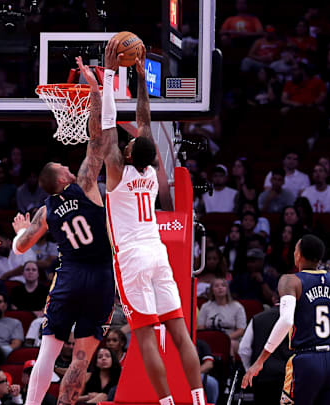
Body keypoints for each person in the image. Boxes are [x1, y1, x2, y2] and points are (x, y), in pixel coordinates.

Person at [100, 41, 206, 405]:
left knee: (144, 336)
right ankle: (196, 399)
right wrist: (142, 80)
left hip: (131, 257)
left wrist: (111, 73)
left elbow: (109, 125)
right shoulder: (148, 171)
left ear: (129, 153)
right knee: (180, 333)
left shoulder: (117, 172)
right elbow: (144, 120)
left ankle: (166, 403)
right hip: (158, 254)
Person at [11, 56, 115, 405]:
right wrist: (95, 89)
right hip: (100, 275)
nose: (68, 164)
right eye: (62, 165)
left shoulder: (45, 210)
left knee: (49, 349)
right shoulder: (86, 183)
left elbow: (21, 248)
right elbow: (98, 138)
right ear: (62, 178)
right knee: (82, 359)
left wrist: (20, 230)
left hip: (69, 277)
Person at [241, 234, 330, 405]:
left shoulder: (290, 281)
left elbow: (286, 320)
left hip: (306, 360)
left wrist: (260, 361)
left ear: (298, 254)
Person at [238, 306, 292, 405]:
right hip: (290, 376)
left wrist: (249, 370)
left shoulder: (257, 318)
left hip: (263, 376)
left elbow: (243, 349)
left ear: (273, 298)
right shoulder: (298, 318)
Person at [197, 278, 247, 356]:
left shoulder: (237, 307)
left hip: (231, 339)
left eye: (223, 285)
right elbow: (201, 328)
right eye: (216, 286)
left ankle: (230, 367)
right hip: (210, 339)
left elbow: (241, 330)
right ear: (212, 290)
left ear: (227, 289)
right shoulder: (206, 307)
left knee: (229, 345)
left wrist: (223, 338)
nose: (220, 288)